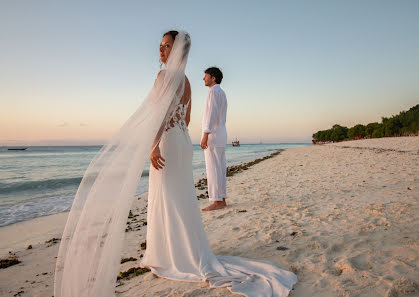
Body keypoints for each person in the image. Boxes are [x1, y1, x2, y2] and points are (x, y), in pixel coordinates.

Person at [55, 30, 297, 297]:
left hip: (168, 142)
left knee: (166, 197)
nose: (161, 51)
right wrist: (176, 134)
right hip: (182, 141)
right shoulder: (187, 82)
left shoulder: (164, 77)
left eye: (166, 46)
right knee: (180, 197)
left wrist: (153, 144)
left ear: (177, 50)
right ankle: (181, 251)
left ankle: (167, 255)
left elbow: (157, 117)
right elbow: (188, 117)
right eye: (160, 46)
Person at [200, 67, 228, 211]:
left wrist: (205, 134)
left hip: (213, 135)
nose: (203, 78)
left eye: (206, 76)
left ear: (213, 78)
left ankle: (217, 202)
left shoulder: (213, 92)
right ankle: (222, 199)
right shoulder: (221, 93)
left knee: (213, 169)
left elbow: (211, 114)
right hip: (221, 135)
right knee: (220, 168)